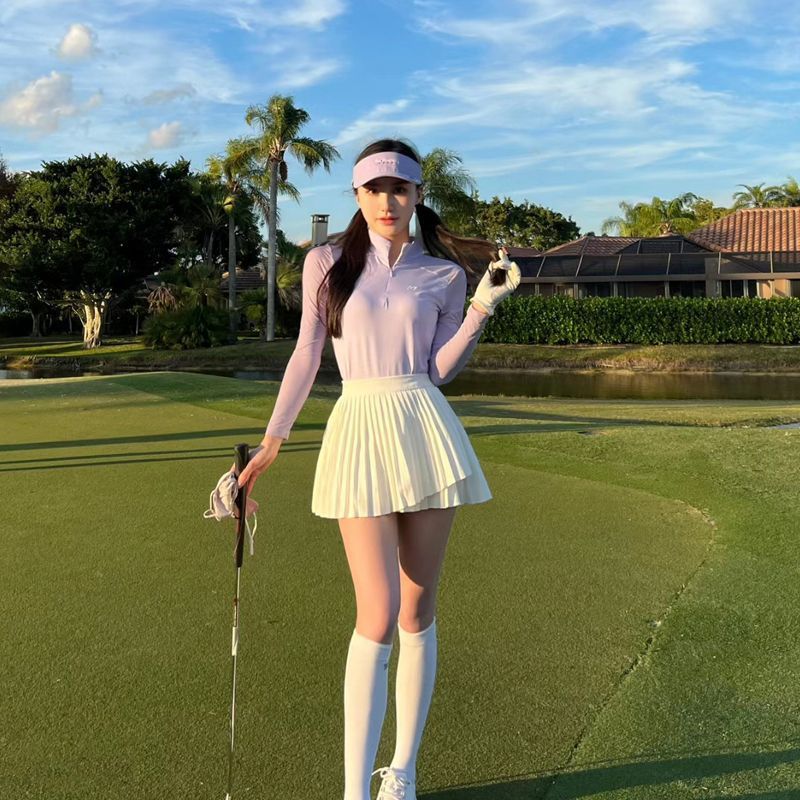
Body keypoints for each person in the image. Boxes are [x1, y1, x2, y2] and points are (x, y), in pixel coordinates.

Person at [236, 138, 520, 800]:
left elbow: (438, 371)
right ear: (357, 195)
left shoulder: (444, 275)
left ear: (418, 195)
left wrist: (480, 308)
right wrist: (272, 443)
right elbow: (307, 353)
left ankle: (403, 772)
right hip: (358, 428)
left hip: (425, 427)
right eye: (374, 189)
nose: (387, 200)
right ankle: (353, 792)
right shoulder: (326, 262)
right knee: (378, 611)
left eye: (400, 189)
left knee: (417, 608)